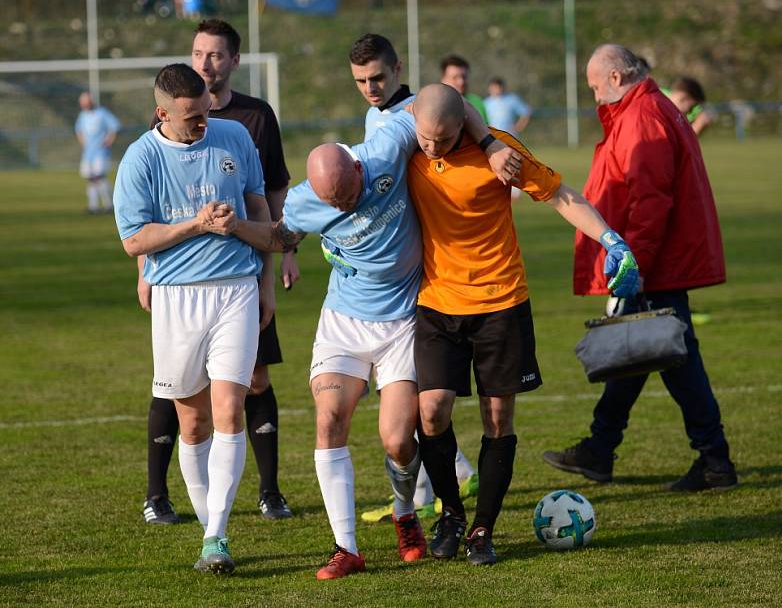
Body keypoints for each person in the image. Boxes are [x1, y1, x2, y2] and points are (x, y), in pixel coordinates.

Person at [234, 96, 521, 578]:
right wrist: (236, 227)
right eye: (336, 204)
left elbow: (442, 100)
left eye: (349, 195)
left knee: (398, 442)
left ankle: (404, 511)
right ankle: (345, 547)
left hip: (405, 321)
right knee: (329, 422)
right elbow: (281, 236)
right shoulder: (308, 200)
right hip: (343, 322)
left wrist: (490, 143)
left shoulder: (387, 146)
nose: (345, 207)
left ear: (358, 168)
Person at [406, 83, 639, 566]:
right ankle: (450, 511)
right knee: (431, 411)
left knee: (498, 419)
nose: (431, 149)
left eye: (441, 141)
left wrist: (611, 239)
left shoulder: (501, 152)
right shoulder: (409, 141)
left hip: (501, 301)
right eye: (424, 140)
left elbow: (561, 195)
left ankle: (482, 528)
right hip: (437, 301)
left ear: (461, 128)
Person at [542, 44, 736, 493]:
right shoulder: (646, 108)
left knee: (672, 357)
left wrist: (636, 264)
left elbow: (651, 202)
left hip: (654, 261)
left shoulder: (642, 115)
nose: (594, 98)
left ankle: (713, 459)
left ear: (614, 78)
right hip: (658, 259)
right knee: (637, 351)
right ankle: (601, 448)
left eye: (594, 86)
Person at [139, 19, 296, 526]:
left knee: (248, 383)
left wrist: (273, 266)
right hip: (178, 287)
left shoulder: (252, 119)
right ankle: (158, 494)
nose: (205, 63)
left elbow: (271, 196)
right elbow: (144, 223)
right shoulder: (155, 139)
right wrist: (147, 269)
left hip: (240, 279)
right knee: (181, 397)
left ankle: (261, 496)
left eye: (215, 55)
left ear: (233, 61)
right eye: (198, 53)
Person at [114, 63, 270, 574]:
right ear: (162, 113)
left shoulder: (234, 137)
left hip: (235, 291)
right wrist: (196, 225)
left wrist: (265, 281)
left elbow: (262, 214)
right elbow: (134, 240)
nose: (204, 123)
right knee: (194, 420)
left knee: (230, 409)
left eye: (206, 112)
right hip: (176, 297)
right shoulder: (140, 158)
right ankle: (211, 528)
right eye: (191, 118)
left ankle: (216, 536)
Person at [348, 33, 479, 524]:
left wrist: (485, 140)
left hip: (427, 267)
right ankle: (444, 479)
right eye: (361, 80)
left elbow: (461, 107)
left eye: (378, 77)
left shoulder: (417, 111)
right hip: (392, 267)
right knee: (407, 394)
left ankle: (434, 489)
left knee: (410, 393)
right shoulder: (374, 116)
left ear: (398, 68)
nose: (371, 87)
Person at [75, 91, 120, 214]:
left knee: (99, 178)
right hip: (88, 153)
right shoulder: (82, 116)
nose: (85, 104)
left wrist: (109, 140)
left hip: (100, 152)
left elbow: (115, 126)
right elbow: (78, 130)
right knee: (90, 179)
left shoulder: (102, 113)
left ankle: (109, 205)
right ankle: (93, 206)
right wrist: (83, 143)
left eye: (86, 102)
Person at [440, 54, 488, 122]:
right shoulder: (436, 105)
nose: (461, 82)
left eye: (464, 77)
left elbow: (487, 130)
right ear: (443, 79)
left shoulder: (477, 101)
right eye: (455, 77)